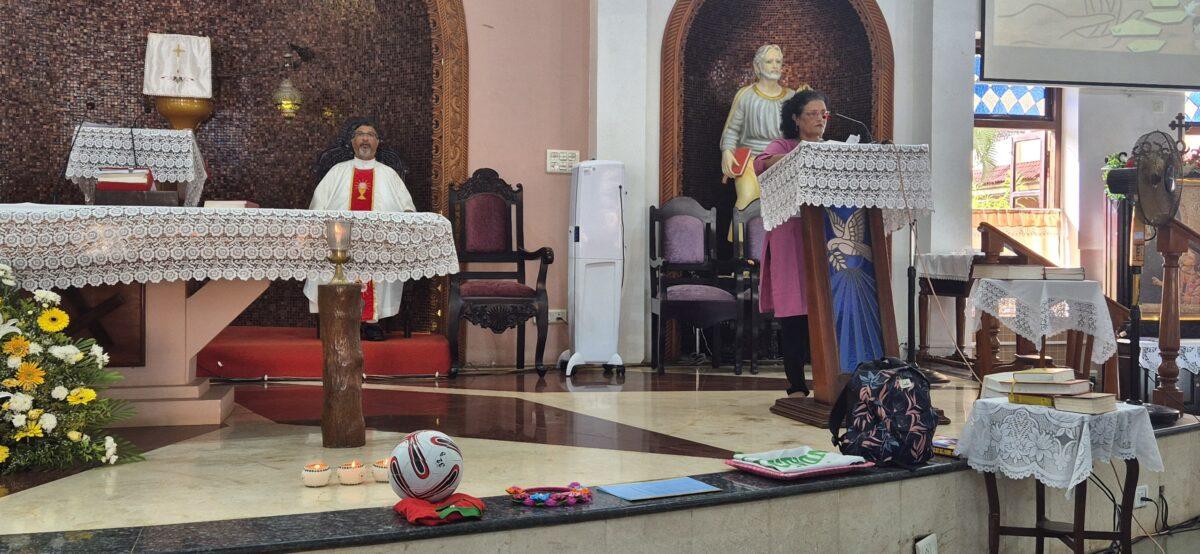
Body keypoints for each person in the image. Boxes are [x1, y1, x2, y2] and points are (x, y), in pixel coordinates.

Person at [304, 118, 416, 341]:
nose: (365, 139)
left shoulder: (389, 174)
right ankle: (340, 321)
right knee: (327, 256)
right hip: (340, 241)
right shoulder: (337, 171)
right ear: (353, 142)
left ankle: (372, 323)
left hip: (379, 243)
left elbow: (407, 209)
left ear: (377, 142)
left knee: (383, 259)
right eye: (360, 135)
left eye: (370, 135)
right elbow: (318, 206)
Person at [753, 90, 830, 397]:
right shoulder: (784, 146)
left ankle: (830, 379)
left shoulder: (832, 149)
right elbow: (762, 164)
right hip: (789, 238)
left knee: (824, 308)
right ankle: (796, 384)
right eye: (812, 113)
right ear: (796, 119)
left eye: (823, 113)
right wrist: (803, 155)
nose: (820, 119)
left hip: (825, 236)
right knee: (795, 310)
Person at [720, 45, 808, 229]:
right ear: (757, 66)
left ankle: (782, 244)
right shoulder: (745, 96)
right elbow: (732, 130)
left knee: (789, 206)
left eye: (778, 61)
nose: (775, 65)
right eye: (769, 61)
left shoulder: (792, 97)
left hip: (782, 162)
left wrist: (806, 102)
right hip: (750, 162)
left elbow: (802, 132)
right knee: (747, 198)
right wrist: (727, 151)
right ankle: (744, 245)